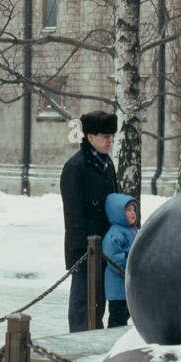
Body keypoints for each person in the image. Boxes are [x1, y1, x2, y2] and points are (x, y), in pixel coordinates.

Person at [60, 111, 119, 333]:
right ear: (90, 137)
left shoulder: (107, 164)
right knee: (82, 304)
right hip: (86, 250)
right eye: (105, 136)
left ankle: (94, 340)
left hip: (106, 248)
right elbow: (73, 216)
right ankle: (79, 342)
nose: (110, 140)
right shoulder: (75, 167)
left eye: (111, 136)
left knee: (99, 302)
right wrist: (81, 254)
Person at [102, 194, 138, 327]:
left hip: (129, 284)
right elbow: (113, 255)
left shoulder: (133, 230)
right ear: (118, 213)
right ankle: (113, 338)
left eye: (133, 210)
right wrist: (127, 266)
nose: (132, 213)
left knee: (126, 313)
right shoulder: (115, 233)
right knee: (117, 316)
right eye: (128, 210)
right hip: (118, 285)